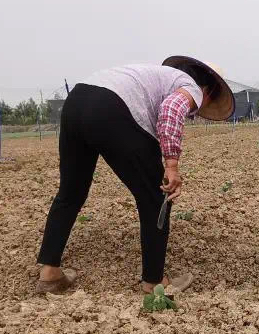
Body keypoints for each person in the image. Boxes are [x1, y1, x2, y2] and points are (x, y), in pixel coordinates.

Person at [35, 56, 234, 294]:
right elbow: (170, 111)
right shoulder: (193, 87)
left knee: (71, 192)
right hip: (112, 108)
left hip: (76, 102)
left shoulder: (157, 77)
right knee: (157, 196)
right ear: (209, 90)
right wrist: (171, 166)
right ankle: (155, 282)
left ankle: (50, 274)